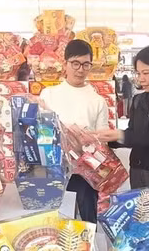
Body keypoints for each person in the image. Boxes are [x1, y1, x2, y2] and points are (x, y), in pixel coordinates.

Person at [40, 39, 109, 223]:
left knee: (87, 223)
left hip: (86, 171)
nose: (80, 69)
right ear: (65, 64)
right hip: (54, 169)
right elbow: (41, 132)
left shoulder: (98, 101)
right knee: (56, 222)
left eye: (85, 64)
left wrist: (88, 139)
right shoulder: (49, 94)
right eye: (75, 63)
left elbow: (103, 141)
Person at [95, 45, 149, 189]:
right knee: (139, 210)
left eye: (146, 73)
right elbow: (133, 133)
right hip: (138, 169)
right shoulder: (139, 100)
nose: (141, 79)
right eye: (138, 74)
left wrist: (121, 135)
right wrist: (110, 139)